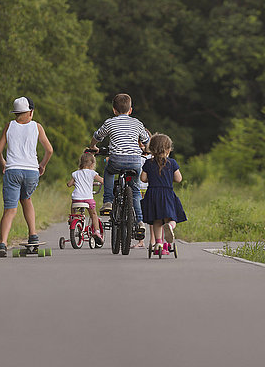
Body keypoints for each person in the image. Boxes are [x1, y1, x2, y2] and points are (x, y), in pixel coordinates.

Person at [0, 96, 53, 257]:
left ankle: (2, 244)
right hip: (31, 171)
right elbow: (49, 150)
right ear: (30, 112)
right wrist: (42, 165)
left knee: (10, 210)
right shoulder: (37, 127)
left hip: (12, 171)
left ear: (16, 113)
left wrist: (3, 164)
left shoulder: (9, 126)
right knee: (26, 199)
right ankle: (33, 235)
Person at [88, 93, 149, 238]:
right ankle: (140, 222)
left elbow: (97, 136)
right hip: (135, 161)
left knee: (109, 171)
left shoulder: (110, 122)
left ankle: (108, 201)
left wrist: (93, 147)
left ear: (114, 110)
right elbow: (147, 140)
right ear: (131, 110)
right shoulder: (137, 123)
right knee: (135, 191)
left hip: (116, 159)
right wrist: (146, 150)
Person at [140, 133, 187, 253]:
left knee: (156, 220)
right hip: (167, 194)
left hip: (152, 194)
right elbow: (178, 179)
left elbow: (143, 179)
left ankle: (158, 244)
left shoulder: (148, 163)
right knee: (172, 217)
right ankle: (170, 226)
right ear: (168, 149)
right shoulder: (172, 163)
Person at [67, 152, 104, 246]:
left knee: (73, 202)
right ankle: (96, 231)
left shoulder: (75, 173)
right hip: (88, 198)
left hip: (77, 198)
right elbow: (102, 181)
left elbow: (69, 184)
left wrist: (75, 183)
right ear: (92, 164)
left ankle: (73, 217)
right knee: (94, 215)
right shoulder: (92, 173)